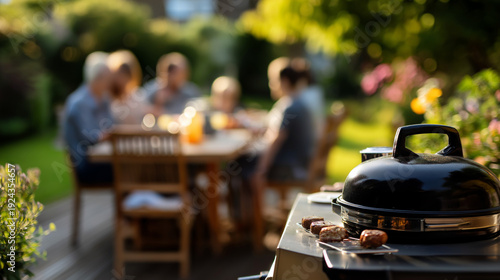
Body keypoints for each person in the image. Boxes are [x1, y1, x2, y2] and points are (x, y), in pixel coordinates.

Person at [63, 52, 114, 184]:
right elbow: (90, 138)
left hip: (106, 158)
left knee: (134, 165)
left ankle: (142, 202)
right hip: (86, 165)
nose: (110, 83)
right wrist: (108, 135)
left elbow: (113, 125)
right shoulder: (78, 103)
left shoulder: (104, 99)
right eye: (108, 79)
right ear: (97, 78)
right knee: (129, 168)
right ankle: (140, 202)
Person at [107, 50, 147, 125]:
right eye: (120, 74)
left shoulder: (137, 96)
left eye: (126, 75)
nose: (123, 79)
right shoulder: (108, 97)